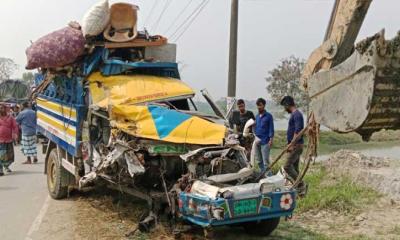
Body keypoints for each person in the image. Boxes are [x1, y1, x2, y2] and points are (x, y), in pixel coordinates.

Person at [280, 96, 307, 193]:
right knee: (295, 168)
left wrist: (291, 145)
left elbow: (298, 132)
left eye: (284, 106)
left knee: (287, 166)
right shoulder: (294, 114)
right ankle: (300, 190)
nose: (284, 109)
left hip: (296, 145)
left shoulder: (297, 115)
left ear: (287, 104)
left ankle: (301, 184)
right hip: (295, 145)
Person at [252, 98, 274, 173]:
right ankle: (262, 174)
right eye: (257, 105)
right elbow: (255, 128)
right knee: (258, 160)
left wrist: (271, 139)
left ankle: (269, 177)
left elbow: (271, 128)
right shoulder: (257, 116)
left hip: (265, 141)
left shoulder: (269, 116)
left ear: (264, 105)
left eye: (260, 105)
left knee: (265, 161)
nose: (259, 107)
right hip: (257, 141)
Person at [0, 104, 19, 176]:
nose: (1, 109)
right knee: (2, 154)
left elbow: (15, 126)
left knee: (9, 155)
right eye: (0, 108)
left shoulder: (10, 118)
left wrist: (15, 134)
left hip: (9, 139)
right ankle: (1, 169)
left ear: (5, 109)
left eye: (2, 108)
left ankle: (6, 166)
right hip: (0, 140)